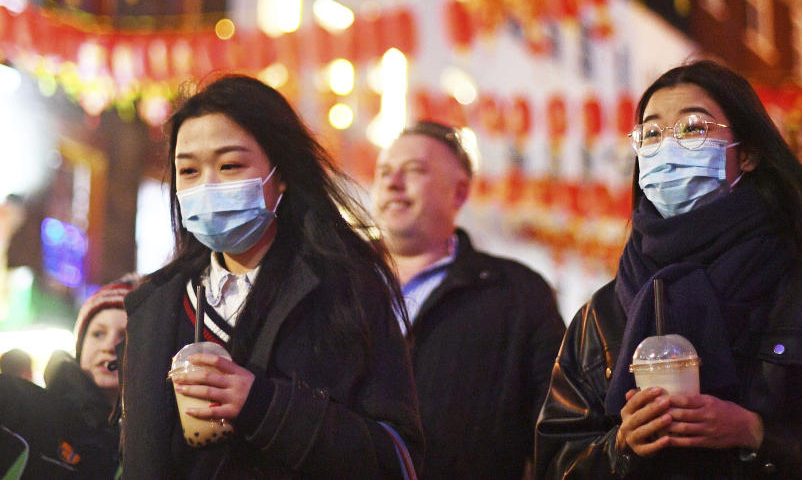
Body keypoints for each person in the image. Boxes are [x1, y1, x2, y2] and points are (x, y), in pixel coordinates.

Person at [535, 60, 802, 479]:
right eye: (650, 134)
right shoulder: (600, 318)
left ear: (748, 153)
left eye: (693, 128)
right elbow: (556, 458)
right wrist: (620, 446)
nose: (667, 147)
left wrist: (756, 435)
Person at [120, 75, 422, 479]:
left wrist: (265, 406)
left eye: (230, 165)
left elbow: (398, 459)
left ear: (281, 174)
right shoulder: (155, 304)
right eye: (188, 171)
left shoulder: (347, 290)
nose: (207, 185)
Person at [371, 120, 565, 480]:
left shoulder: (517, 294)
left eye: (413, 171)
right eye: (383, 172)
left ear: (458, 193)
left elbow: (556, 432)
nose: (392, 183)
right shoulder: (337, 281)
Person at [0, 276, 134, 478]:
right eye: (98, 334)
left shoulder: (147, 444)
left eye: (124, 336)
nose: (109, 346)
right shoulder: (30, 409)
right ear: (80, 347)